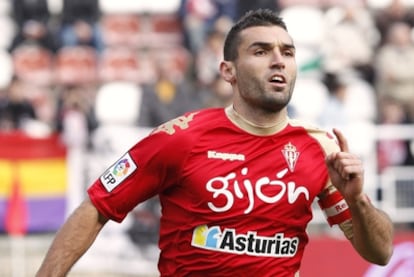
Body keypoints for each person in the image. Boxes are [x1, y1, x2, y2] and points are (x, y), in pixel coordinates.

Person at [36, 9, 394, 276]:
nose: (278, 62)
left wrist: (357, 199)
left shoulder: (320, 147)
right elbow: (97, 206)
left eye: (287, 52)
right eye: (260, 51)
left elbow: (379, 254)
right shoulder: (181, 138)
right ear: (228, 72)